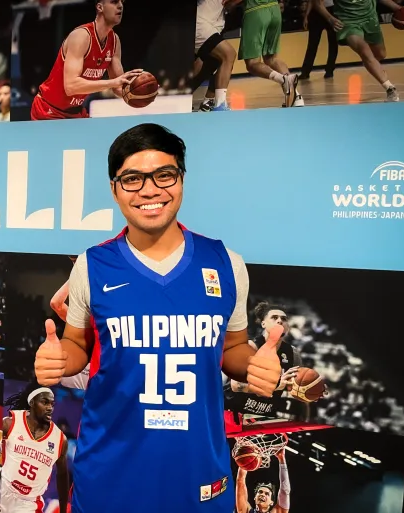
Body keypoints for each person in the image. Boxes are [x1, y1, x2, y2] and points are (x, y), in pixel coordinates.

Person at [33, 123, 282, 511]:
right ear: (114, 188)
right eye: (132, 179)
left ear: (181, 180)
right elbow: (78, 344)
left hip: (199, 473)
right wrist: (61, 359)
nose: (149, 190)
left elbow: (231, 348)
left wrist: (253, 365)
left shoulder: (227, 263)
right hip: (109, 471)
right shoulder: (92, 264)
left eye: (164, 175)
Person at [30, 0, 142, 121]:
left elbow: (119, 87)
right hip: (48, 109)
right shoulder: (81, 36)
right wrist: (112, 82)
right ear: (100, 7)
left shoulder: (114, 41)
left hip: (75, 111)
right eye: (114, 2)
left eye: (122, 2)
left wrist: (139, 93)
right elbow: (71, 86)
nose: (120, 6)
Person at [311, 0, 401, 101]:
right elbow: (317, 3)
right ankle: (390, 88)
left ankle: (373, 65)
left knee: (380, 54)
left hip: (370, 19)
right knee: (365, 51)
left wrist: (398, 8)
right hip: (348, 23)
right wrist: (330, 19)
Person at [2, 384, 69, 512]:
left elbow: (62, 475)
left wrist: (63, 510)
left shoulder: (60, 439)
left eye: (52, 404)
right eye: (45, 402)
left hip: (28, 503)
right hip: (1, 490)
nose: (50, 408)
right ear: (32, 403)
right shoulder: (10, 423)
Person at [236, 0, 303, 107]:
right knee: (272, 59)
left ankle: (283, 79)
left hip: (256, 11)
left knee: (252, 64)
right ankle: (296, 97)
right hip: (274, 9)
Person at [194, 0, 237, 111]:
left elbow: (229, 6)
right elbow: (230, 4)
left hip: (209, 25)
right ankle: (220, 105)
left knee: (213, 62)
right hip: (201, 24)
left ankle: (208, 101)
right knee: (229, 54)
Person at [235, 445, 291, 513]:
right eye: (260, 492)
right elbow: (240, 481)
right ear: (255, 498)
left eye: (267, 494)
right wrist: (246, 457)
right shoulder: (245, 511)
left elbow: (285, 490)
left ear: (271, 502)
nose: (262, 495)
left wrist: (282, 459)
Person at [299, 0, 337, 80]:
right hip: (316, 11)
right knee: (312, 44)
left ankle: (329, 70)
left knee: (333, 43)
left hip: (331, 9)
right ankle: (305, 71)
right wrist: (307, 15)